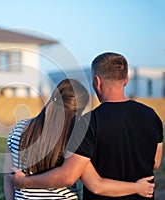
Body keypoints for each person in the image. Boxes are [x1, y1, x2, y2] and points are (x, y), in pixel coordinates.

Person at [9, 52, 163, 199]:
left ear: (97, 81)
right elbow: (155, 163)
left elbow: (75, 177)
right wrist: (137, 187)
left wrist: (23, 182)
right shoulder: (152, 115)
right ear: (126, 79)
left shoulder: (88, 122)